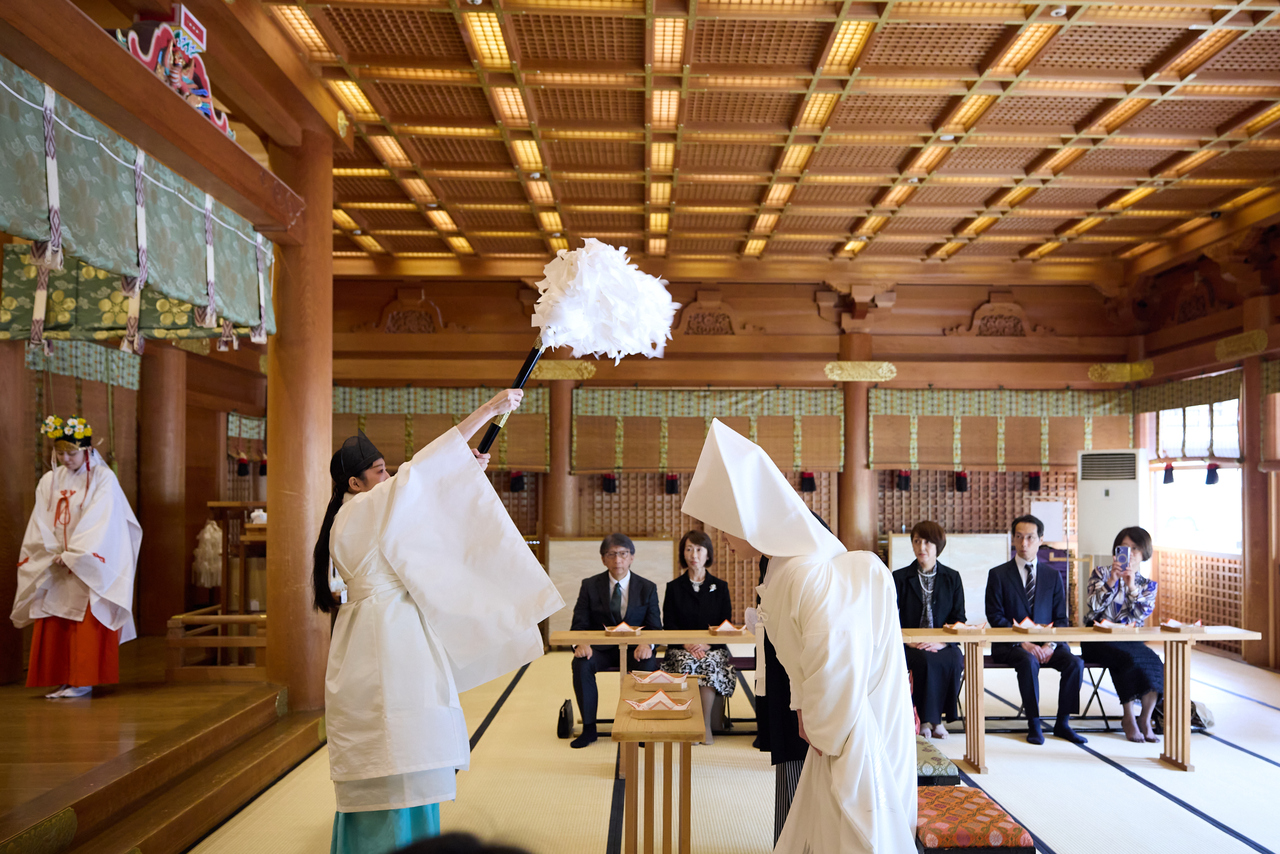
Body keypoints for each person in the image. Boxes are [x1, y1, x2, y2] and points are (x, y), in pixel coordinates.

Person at [316, 389, 564, 854]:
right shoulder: (362, 511)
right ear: (354, 483)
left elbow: (422, 498)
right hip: (386, 638)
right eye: (380, 472)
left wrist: (459, 474)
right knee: (398, 742)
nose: (388, 477)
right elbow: (422, 475)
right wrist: (488, 411)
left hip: (379, 633)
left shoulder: (357, 516)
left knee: (401, 744)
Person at [683, 420, 916, 854]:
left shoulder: (804, 568)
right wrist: (803, 708)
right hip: (826, 720)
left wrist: (817, 718)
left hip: (844, 725)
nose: (722, 539)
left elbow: (836, 653)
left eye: (727, 526)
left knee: (845, 826)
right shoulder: (787, 565)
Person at [12, 415, 140, 699]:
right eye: (60, 453)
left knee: (85, 617)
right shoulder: (50, 479)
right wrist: (49, 549)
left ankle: (84, 679)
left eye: (72, 453)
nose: (66, 458)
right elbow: (40, 518)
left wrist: (77, 553)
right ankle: (62, 677)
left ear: (87, 450)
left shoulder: (103, 479)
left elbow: (102, 518)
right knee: (55, 614)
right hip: (55, 558)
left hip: (85, 561)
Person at [985, 514, 1086, 745]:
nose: (1024, 543)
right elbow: (995, 616)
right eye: (1019, 537)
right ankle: (1034, 722)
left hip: (1047, 644)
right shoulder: (998, 574)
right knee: (1028, 661)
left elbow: (1061, 618)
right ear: (1013, 539)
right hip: (1011, 645)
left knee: (1075, 663)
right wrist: (1025, 643)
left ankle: (1063, 723)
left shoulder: (1052, 576)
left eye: (1030, 538)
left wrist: (1049, 645)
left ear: (1040, 539)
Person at [568, 533, 663, 748]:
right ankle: (589, 729)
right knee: (581, 664)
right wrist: (579, 644)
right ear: (603, 559)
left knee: (648, 664)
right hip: (599, 650)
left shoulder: (647, 588)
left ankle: (641, 727)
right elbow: (579, 623)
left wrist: (647, 645)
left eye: (623, 554)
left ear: (632, 557)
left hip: (634, 650)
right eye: (612, 554)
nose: (618, 560)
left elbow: (655, 626)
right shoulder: (590, 585)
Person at [1080, 526, 1163, 743]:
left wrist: (1132, 587)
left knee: (1154, 661)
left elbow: (1142, 613)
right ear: (1117, 551)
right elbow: (1093, 606)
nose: (1131, 553)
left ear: (1144, 553)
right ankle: (1128, 717)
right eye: (1125, 548)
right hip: (1097, 638)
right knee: (1126, 659)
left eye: (1136, 548)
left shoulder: (1147, 585)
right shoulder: (1101, 573)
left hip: (1130, 639)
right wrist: (1112, 581)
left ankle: (1145, 717)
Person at [661, 529, 736, 744]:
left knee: (709, 663)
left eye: (699, 549)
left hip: (712, 647)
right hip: (680, 648)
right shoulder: (673, 588)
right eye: (689, 549)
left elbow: (725, 624)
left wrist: (706, 644)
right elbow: (669, 624)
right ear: (683, 554)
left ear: (708, 554)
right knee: (688, 662)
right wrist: (688, 644)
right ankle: (690, 724)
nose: (694, 554)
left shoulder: (720, 587)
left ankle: (703, 725)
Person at [892, 521, 964, 740]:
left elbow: (959, 618)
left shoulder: (952, 578)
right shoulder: (899, 577)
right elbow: (891, 619)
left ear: (938, 545)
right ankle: (924, 719)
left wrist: (942, 643)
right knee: (924, 661)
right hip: (909, 644)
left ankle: (938, 719)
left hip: (942, 643)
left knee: (954, 658)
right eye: (916, 541)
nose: (921, 546)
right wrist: (910, 641)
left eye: (927, 542)